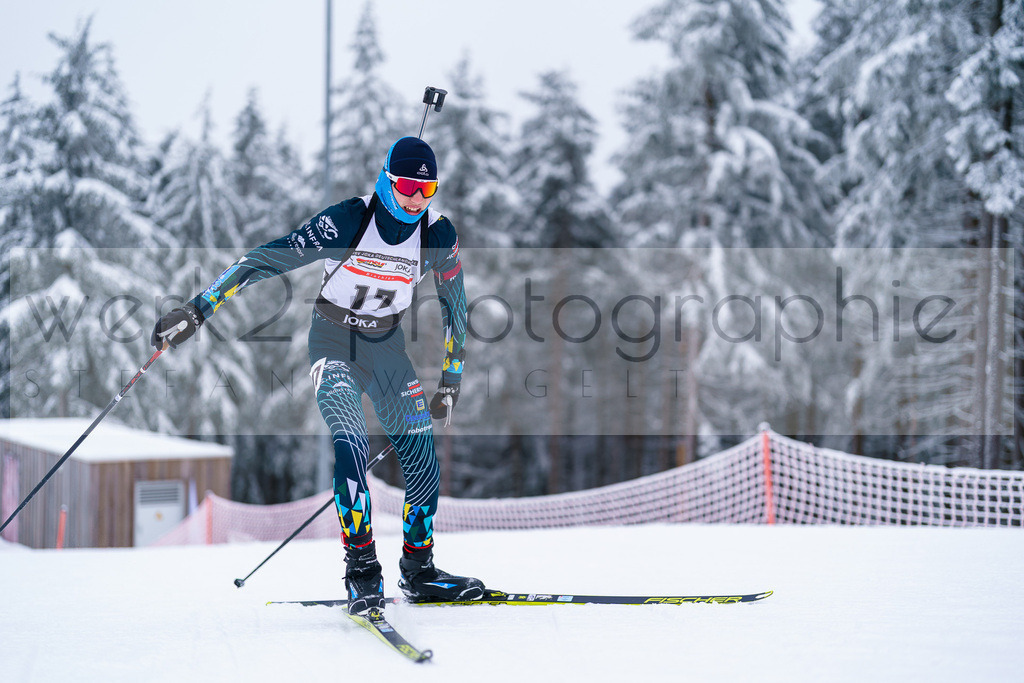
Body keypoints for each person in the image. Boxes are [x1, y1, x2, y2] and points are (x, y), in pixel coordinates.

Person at [152, 136, 484, 614]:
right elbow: (266, 258)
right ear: (389, 180)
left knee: (422, 458)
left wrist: (451, 378)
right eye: (408, 186)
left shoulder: (437, 235)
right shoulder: (349, 220)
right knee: (351, 442)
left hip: (387, 348)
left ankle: (419, 570)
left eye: (427, 189)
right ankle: (362, 572)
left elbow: (455, 307)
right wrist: (199, 308)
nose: (416, 199)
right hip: (334, 343)